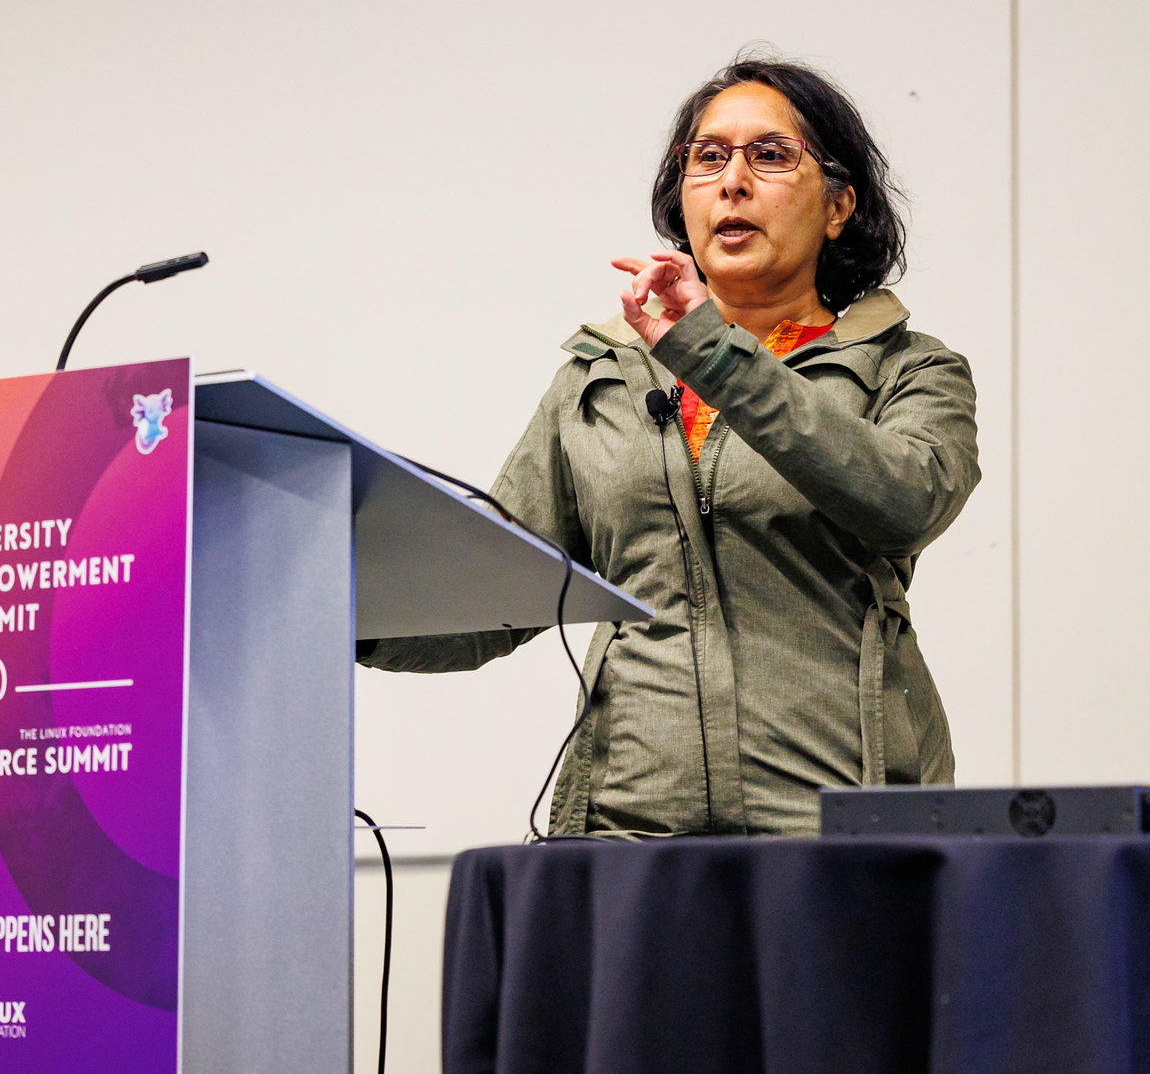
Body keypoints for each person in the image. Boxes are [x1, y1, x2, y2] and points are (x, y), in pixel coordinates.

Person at [359, 52, 980, 837]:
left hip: (836, 826)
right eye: (708, 156)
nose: (733, 181)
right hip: (626, 828)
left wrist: (712, 353)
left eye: (771, 154)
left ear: (838, 206)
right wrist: (339, 605)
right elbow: (498, 589)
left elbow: (905, 500)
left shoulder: (909, 367)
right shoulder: (599, 377)